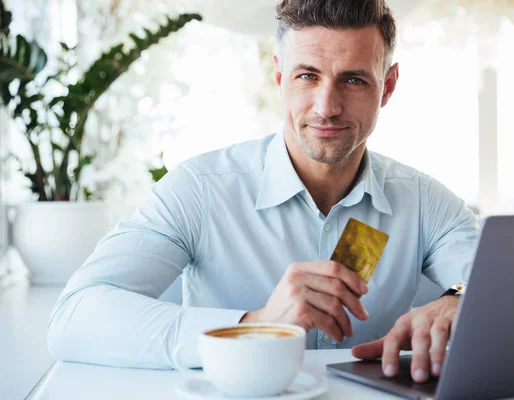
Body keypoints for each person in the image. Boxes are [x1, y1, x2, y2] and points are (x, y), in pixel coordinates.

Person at [47, 0, 479, 384]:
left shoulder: (423, 202)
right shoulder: (199, 190)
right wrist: (252, 325)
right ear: (279, 76)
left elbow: (498, 280)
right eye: (307, 76)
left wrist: (458, 300)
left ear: (387, 86)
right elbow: (74, 317)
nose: (326, 106)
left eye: (353, 81)